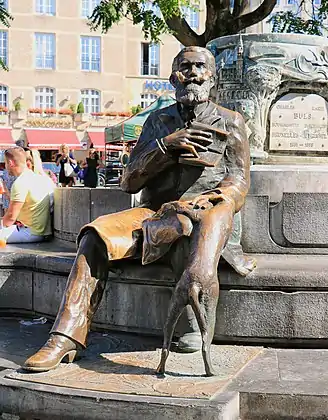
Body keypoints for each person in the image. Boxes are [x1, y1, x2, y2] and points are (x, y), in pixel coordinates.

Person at [24, 46, 256, 372]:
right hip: (154, 212)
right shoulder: (157, 122)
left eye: (200, 67)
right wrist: (165, 147)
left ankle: (192, 319)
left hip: (203, 216)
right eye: (184, 66)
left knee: (187, 234)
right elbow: (129, 182)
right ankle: (65, 338)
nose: (192, 73)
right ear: (173, 77)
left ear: (212, 77)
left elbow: (240, 183)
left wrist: (214, 200)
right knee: (94, 236)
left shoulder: (231, 122)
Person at [0, 147, 54, 243]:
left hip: (31, 233)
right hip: (42, 232)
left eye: (6, 163)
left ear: (11, 163)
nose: (5, 167)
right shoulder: (38, 178)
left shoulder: (20, 183)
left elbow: (11, 217)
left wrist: (1, 226)